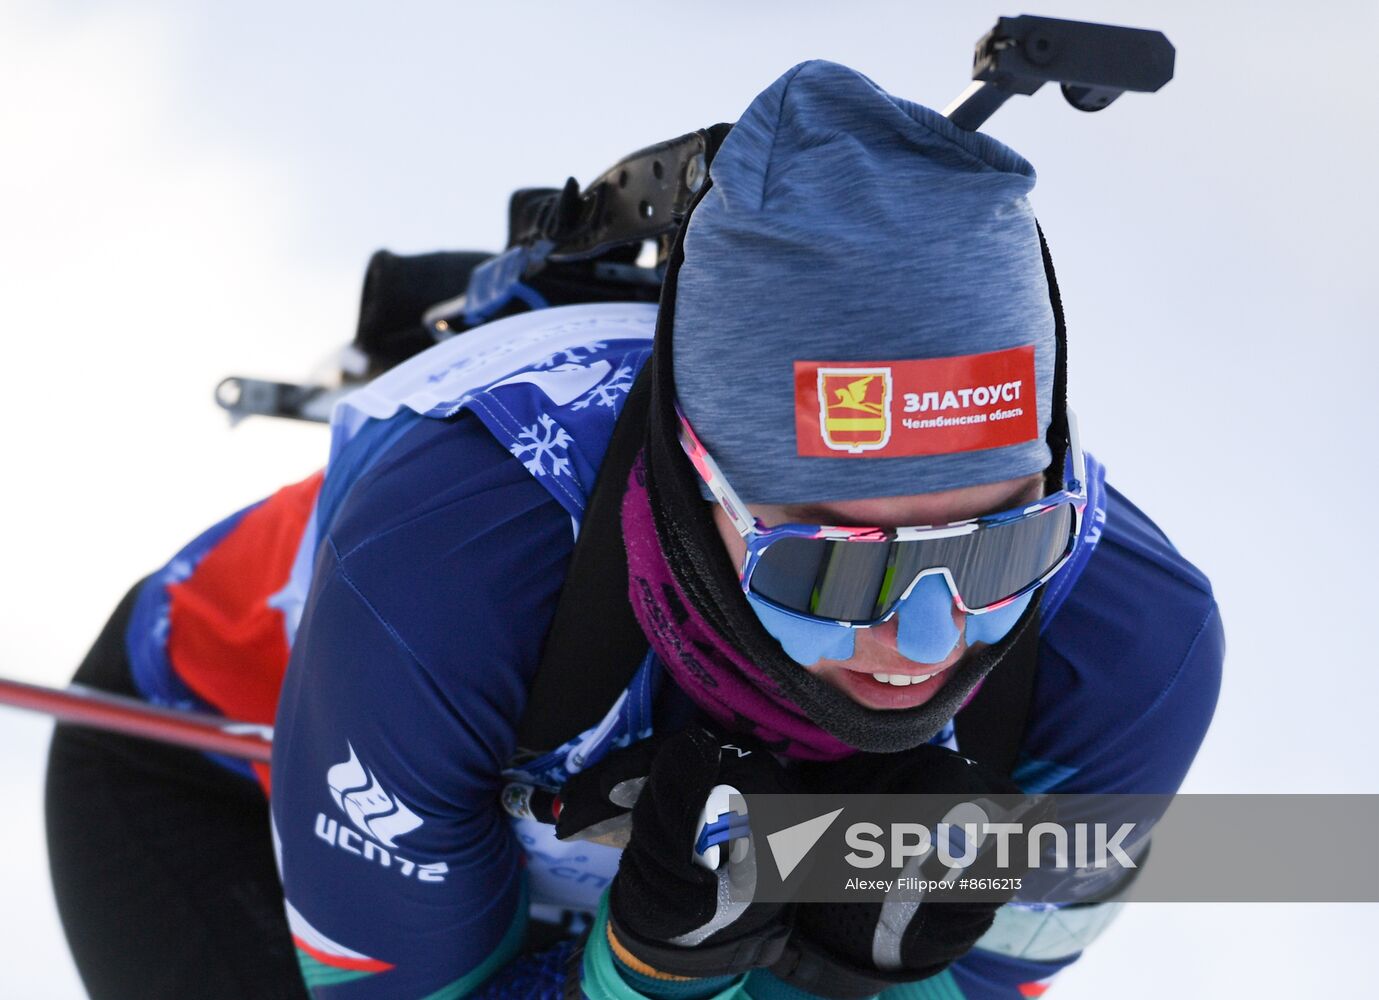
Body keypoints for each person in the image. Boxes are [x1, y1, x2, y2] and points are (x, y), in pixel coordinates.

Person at [45, 61, 1223, 999]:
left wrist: (851, 978)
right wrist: (643, 977)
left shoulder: (1125, 651)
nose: (922, 641)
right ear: (700, 481)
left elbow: (985, 977)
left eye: (998, 549)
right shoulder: (446, 573)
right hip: (216, 778)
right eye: (827, 567)